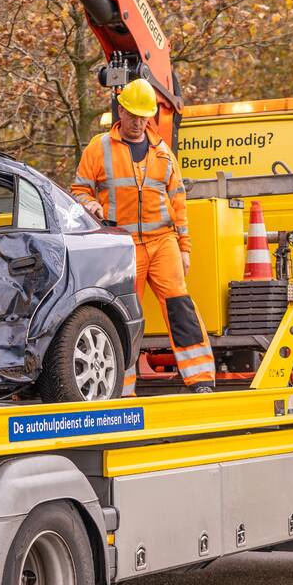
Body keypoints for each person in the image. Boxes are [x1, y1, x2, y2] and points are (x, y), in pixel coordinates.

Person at [71, 79, 216, 393]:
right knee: (124, 315)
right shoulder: (99, 147)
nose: (138, 122)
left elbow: (178, 203)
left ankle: (200, 377)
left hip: (163, 242)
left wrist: (185, 248)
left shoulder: (163, 153)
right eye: (133, 115)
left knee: (180, 305)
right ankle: (123, 387)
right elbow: (79, 190)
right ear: (120, 110)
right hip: (123, 246)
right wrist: (91, 204)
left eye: (144, 116)